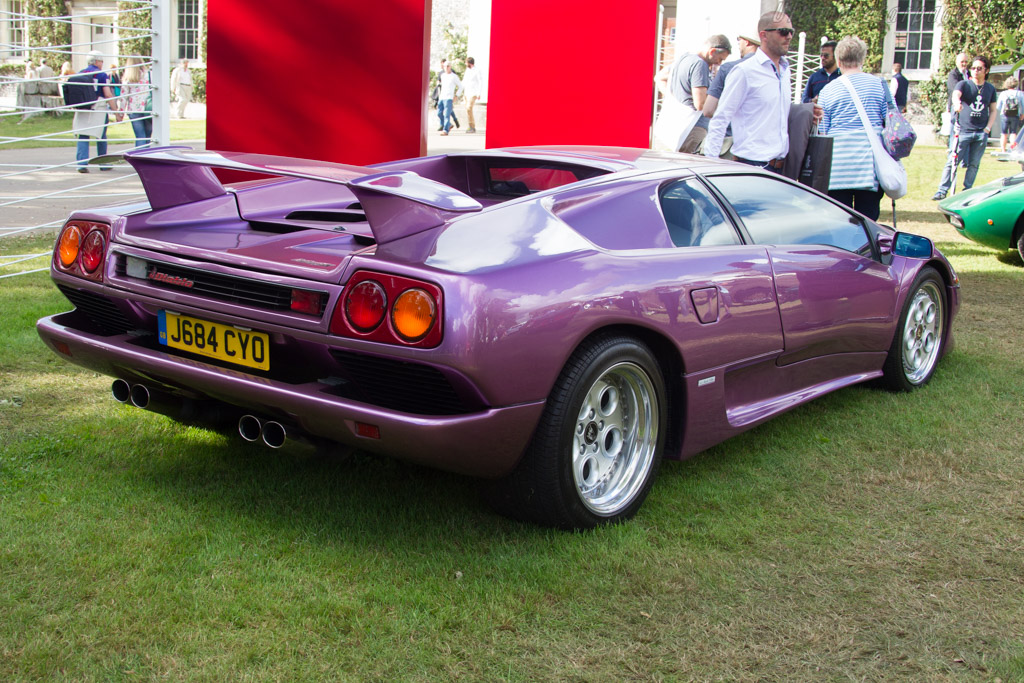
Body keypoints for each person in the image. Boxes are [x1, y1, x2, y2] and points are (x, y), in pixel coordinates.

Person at [703, 12, 798, 171]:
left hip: (781, 166)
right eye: (783, 32)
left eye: (791, 32)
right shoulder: (745, 71)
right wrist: (710, 165)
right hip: (752, 165)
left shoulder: (785, 70)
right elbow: (720, 119)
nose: (788, 36)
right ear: (764, 35)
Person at [817, 36, 891, 220]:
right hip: (869, 165)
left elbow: (823, 130)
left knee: (839, 220)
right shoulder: (879, 85)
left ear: (838, 60)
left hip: (838, 166)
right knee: (868, 219)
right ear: (863, 59)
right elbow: (891, 121)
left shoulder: (828, 90)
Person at [933, 55, 998, 200]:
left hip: (981, 132)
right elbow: (956, 94)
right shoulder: (964, 84)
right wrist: (957, 103)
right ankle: (942, 190)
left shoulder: (990, 89)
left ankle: (967, 190)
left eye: (979, 68)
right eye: (973, 68)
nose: (975, 71)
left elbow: (993, 110)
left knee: (974, 164)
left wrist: (988, 128)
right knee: (952, 161)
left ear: (986, 71)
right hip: (963, 131)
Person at [656, 34, 732, 153]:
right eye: (720, 59)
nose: (719, 63)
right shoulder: (700, 65)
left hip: (674, 126)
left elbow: (659, 77)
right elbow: (700, 104)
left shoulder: (684, 58)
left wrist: (676, 99)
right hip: (692, 128)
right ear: (712, 51)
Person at [702, 34, 760, 158]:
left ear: (747, 42)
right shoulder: (778, 71)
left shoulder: (728, 68)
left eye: (739, 40)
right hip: (762, 151)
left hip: (730, 144)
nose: (738, 45)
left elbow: (708, 110)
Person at [73, 51, 122, 173]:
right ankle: (103, 162)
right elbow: (107, 93)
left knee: (83, 135)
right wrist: (116, 112)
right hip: (98, 107)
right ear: (96, 61)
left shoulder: (80, 74)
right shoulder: (101, 75)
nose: (102, 63)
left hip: (84, 107)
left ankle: (81, 163)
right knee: (101, 135)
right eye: (101, 61)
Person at [120, 56, 152, 147]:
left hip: (134, 109)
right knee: (147, 137)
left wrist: (121, 112)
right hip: (148, 107)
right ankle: (147, 157)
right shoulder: (148, 75)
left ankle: (139, 157)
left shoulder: (128, 78)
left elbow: (124, 96)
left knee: (140, 136)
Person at [996, 77, 1023, 152]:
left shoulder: (1003, 93)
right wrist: (1022, 114)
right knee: (1013, 132)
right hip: (1015, 115)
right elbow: (1023, 105)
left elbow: (998, 106)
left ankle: (1003, 149)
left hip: (1004, 115)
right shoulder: (1019, 93)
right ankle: (1012, 149)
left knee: (1003, 133)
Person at [437, 60, 463, 136]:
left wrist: (456, 96)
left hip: (449, 97)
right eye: (445, 66)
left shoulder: (454, 76)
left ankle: (445, 130)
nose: (446, 68)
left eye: (448, 66)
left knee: (446, 114)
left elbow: (461, 87)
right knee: (439, 113)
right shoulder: (443, 75)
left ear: (450, 67)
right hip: (442, 97)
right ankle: (448, 125)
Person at [462, 56, 482, 133]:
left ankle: (472, 126)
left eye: (466, 63)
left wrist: (479, 93)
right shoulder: (467, 70)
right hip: (466, 92)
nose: (465, 64)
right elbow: (464, 81)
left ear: (470, 63)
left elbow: (480, 82)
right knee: (467, 110)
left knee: (469, 108)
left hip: (473, 92)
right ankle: (470, 125)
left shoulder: (477, 70)